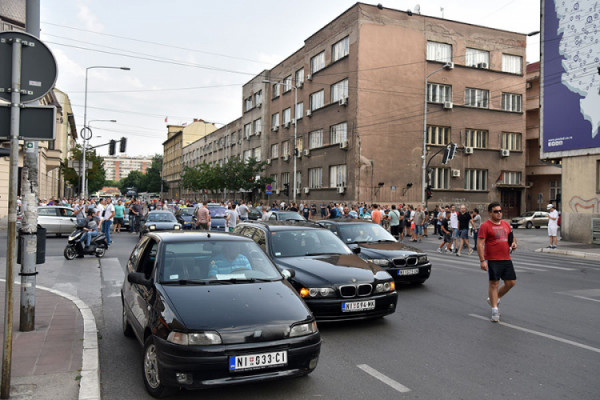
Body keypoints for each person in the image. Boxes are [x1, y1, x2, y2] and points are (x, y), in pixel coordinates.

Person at [477, 202, 518, 323]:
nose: (499, 213)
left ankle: (496, 298)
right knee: (494, 284)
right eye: (496, 211)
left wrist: (514, 244)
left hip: (506, 258)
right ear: (490, 213)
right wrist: (482, 261)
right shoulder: (485, 226)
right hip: (493, 260)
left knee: (511, 282)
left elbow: (512, 237)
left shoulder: (506, 224)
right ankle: (495, 310)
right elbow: (480, 244)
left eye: (500, 211)